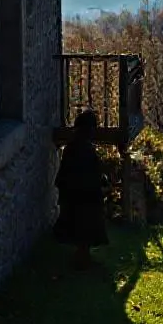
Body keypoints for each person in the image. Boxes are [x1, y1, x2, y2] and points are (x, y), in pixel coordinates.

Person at [53, 110, 109, 269]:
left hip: (74, 193)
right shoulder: (84, 149)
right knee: (86, 223)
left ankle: (82, 256)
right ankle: (82, 257)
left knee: (80, 222)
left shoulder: (72, 147)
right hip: (84, 195)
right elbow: (90, 174)